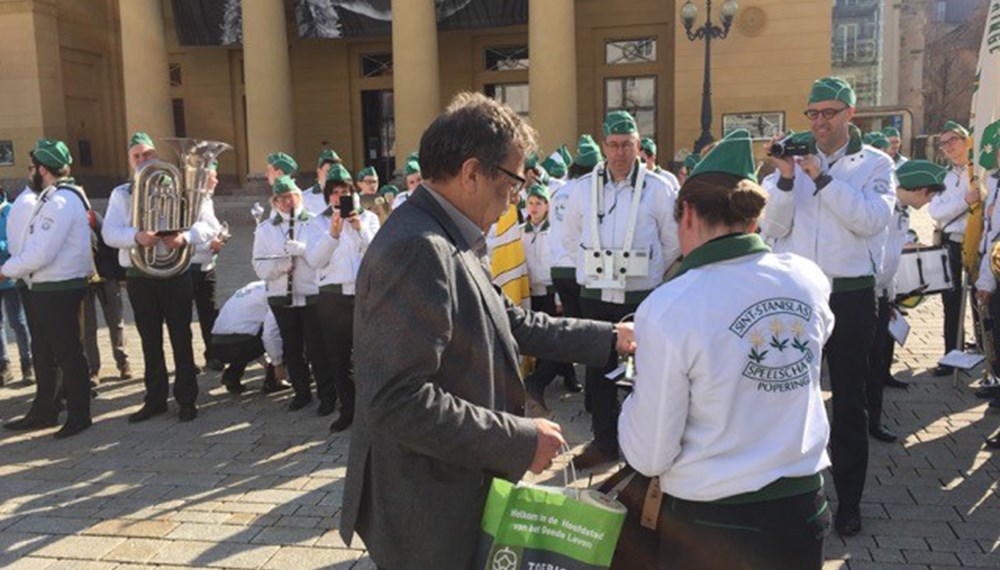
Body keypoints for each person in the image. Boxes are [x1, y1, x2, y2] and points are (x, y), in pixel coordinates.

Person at [339, 92, 633, 570]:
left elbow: (509, 321)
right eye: (513, 183)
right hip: (427, 505)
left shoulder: (450, 233)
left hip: (450, 480)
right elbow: (396, 399)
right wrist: (517, 439)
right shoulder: (419, 248)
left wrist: (610, 338)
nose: (515, 199)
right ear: (472, 173)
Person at [620, 128, 833, 570]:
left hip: (712, 522)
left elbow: (651, 453)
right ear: (753, 220)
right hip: (802, 508)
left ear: (688, 214)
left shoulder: (667, 307)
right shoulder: (808, 279)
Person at [760, 76, 895, 537]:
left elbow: (871, 221)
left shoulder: (874, 164)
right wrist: (784, 177)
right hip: (797, 295)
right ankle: (787, 491)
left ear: (850, 115)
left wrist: (823, 177)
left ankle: (850, 499)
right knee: (789, 395)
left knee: (850, 400)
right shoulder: (792, 162)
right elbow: (771, 227)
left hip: (852, 292)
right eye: (812, 113)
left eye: (829, 113)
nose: (819, 122)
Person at [562, 109, 681, 469]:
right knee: (598, 372)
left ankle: (642, 449)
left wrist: (645, 273)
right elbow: (569, 239)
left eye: (626, 145)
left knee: (643, 375)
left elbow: (672, 241)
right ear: (603, 146)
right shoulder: (582, 190)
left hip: (640, 296)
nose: (619, 153)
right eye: (612, 145)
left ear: (638, 145)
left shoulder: (659, 188)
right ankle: (603, 442)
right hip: (596, 296)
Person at [103, 132, 201, 423]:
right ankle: (155, 398)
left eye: (148, 154)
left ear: (156, 156)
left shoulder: (180, 187)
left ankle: (187, 399)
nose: (143, 160)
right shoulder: (121, 193)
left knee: (182, 337)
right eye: (137, 156)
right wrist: (137, 236)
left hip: (176, 273)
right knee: (149, 339)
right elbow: (109, 233)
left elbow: (205, 226)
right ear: (130, 161)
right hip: (140, 274)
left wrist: (184, 237)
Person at [1, 139, 95, 438]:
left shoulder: (61, 201)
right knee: (46, 350)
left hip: (59, 287)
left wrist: (5, 271)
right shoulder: (53, 196)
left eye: (33, 168)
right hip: (46, 286)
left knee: (68, 352)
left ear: (42, 169)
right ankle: (45, 410)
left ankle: (79, 415)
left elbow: (42, 252)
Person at [867, 160, 950, 445]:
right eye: (929, 197)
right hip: (864, 294)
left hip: (881, 293)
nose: (928, 204)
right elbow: (873, 255)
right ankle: (865, 420)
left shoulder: (901, 212)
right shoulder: (882, 209)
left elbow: (891, 258)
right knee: (862, 363)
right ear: (920, 190)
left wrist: (889, 297)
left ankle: (873, 418)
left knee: (876, 360)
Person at [304, 164, 380, 432]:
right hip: (332, 297)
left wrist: (359, 228)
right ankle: (347, 410)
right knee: (338, 358)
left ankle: (369, 412)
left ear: (353, 192)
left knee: (367, 357)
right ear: (327, 196)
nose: (339, 197)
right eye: (334, 192)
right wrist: (333, 234)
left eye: (344, 191)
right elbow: (314, 260)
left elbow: (378, 253)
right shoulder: (316, 223)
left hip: (362, 295)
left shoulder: (368, 218)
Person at [252, 175, 336, 415]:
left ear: (299, 198)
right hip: (281, 296)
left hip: (311, 294)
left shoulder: (315, 223)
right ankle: (301, 393)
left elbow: (324, 260)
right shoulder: (266, 229)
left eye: (291, 197)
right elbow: (259, 266)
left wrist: (304, 251)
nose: (288, 202)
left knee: (317, 348)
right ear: (275, 202)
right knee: (292, 348)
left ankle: (327, 395)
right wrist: (281, 265)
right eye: (282, 198)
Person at [928, 121, 980, 376]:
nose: (948, 146)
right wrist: (964, 201)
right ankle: (952, 353)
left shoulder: (981, 169)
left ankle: (985, 351)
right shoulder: (944, 176)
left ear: (967, 140)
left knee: (982, 299)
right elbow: (936, 211)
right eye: (943, 143)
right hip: (952, 242)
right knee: (951, 300)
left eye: (953, 140)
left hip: (980, 242)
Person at [521, 184, 579, 408]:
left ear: (547, 206)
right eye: (531, 203)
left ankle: (567, 375)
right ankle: (546, 373)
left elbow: (558, 261)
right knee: (538, 336)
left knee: (555, 335)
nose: (534, 208)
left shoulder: (553, 231)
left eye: (539, 203)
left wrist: (558, 300)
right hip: (531, 292)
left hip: (550, 292)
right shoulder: (520, 231)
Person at [211, 280, 287, 394]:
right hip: (241, 344)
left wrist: (264, 361)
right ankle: (273, 380)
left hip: (217, 345)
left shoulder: (252, 287)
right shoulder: (277, 292)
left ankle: (232, 375)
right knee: (283, 329)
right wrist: (277, 364)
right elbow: (270, 335)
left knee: (248, 329)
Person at [83, 209, 131, 382]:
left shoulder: (92, 216)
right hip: (81, 279)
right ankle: (93, 369)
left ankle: (123, 362)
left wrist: (120, 275)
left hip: (105, 275)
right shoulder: (62, 220)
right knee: (87, 327)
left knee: (115, 321)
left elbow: (110, 246)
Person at [189, 161, 227, 372]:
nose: (217, 180)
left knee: (209, 313)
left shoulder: (207, 200)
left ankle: (213, 355)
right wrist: (208, 244)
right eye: (214, 176)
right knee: (184, 316)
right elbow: (188, 233)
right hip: (190, 266)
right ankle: (186, 360)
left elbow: (211, 228)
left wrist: (216, 242)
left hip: (206, 266)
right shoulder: (191, 200)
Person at [0, 187, 32, 385]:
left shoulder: (11, 210)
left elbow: (17, 242)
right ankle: (4, 366)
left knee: (18, 322)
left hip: (10, 278)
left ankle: (27, 363)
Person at [304, 149, 339, 215]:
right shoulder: (304, 198)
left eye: (335, 172)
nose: (332, 176)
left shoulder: (350, 196)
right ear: (319, 172)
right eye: (328, 172)